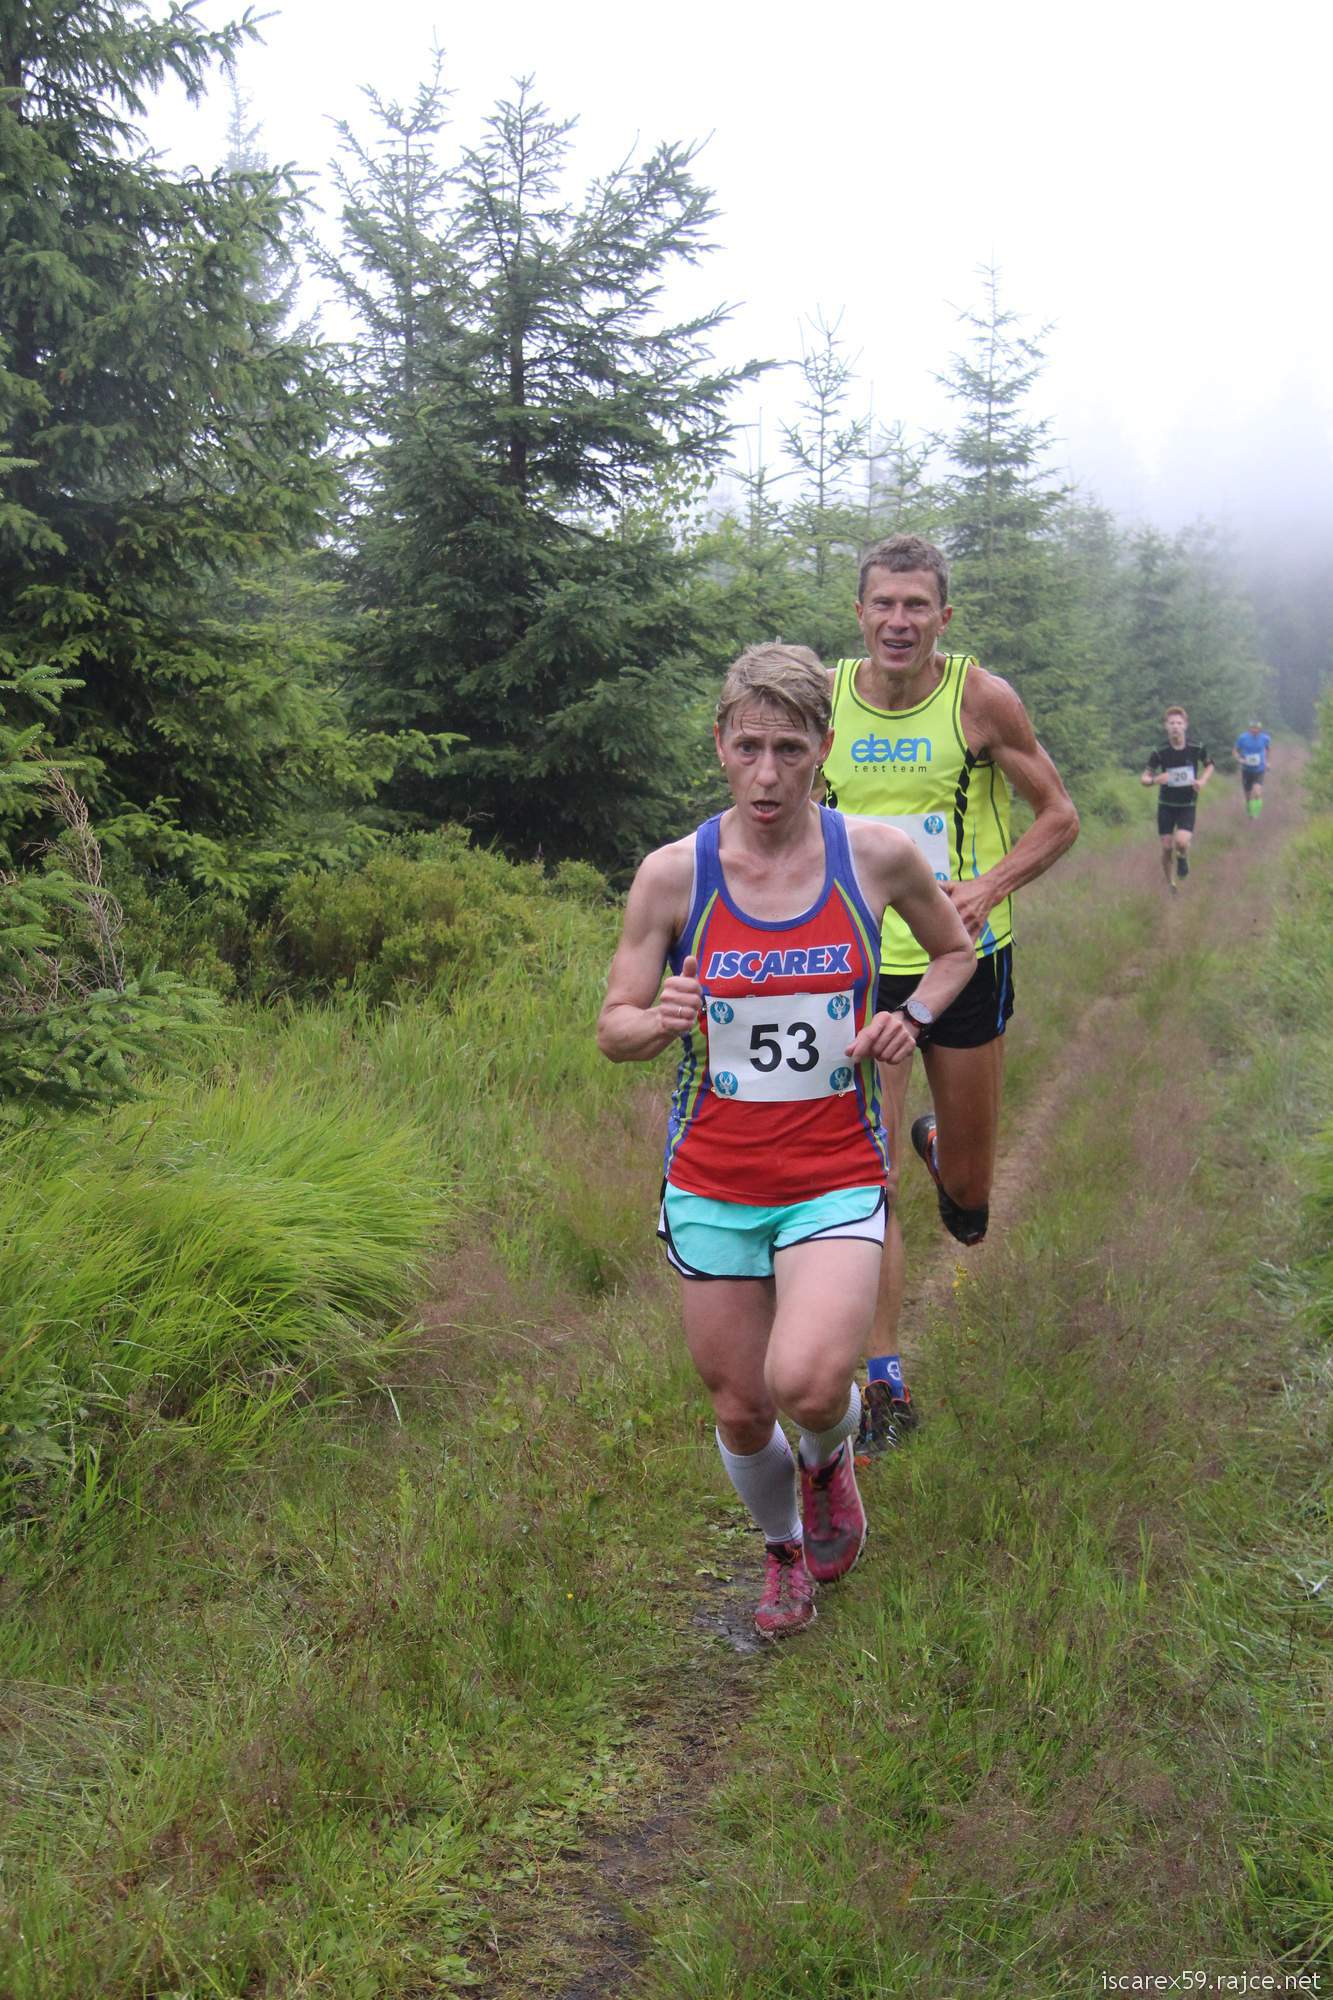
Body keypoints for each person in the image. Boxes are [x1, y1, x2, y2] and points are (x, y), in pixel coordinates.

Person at [597, 644, 975, 1639]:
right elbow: (613, 1028)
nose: (767, 775)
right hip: (712, 1179)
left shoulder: (875, 855)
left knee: (806, 1384)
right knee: (737, 1406)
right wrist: (659, 1018)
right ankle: (781, 1552)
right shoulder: (673, 874)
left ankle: (827, 1457)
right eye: (748, 748)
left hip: (834, 1172)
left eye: (790, 750)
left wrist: (912, 1018)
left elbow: (954, 949)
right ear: (720, 745)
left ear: (824, 748)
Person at [819, 535, 1079, 1453]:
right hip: (859, 968)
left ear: (943, 617)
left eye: (916, 606)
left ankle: (944, 1154)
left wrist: (986, 888)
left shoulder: (979, 698)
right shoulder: (825, 699)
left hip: (964, 958)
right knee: (869, 1174)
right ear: (859, 613)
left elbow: (1058, 816)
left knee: (968, 1201)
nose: (898, 622)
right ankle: (882, 1382)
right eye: (883, 605)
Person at [1142, 706, 1214, 890]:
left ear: (1185, 725)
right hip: (1166, 805)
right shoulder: (1159, 751)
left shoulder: (1196, 747)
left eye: (1179, 723)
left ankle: (1183, 856)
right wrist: (1155, 780)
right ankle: (1170, 885)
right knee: (1167, 847)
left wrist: (1202, 781)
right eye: (1172, 723)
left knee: (1181, 842)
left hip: (1187, 804)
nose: (1175, 726)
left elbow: (1209, 766)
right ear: (1166, 726)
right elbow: (1144, 778)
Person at [1234, 718, 1272, 817]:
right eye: (1253, 728)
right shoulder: (1242, 738)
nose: (1255, 730)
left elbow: (1268, 749)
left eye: (1257, 728)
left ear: (1260, 729)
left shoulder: (1265, 738)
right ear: (1249, 728)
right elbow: (1234, 751)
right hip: (1246, 769)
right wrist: (1239, 759)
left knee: (1257, 792)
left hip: (1259, 769)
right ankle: (1250, 811)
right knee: (1247, 795)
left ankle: (1256, 813)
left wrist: (1267, 762)